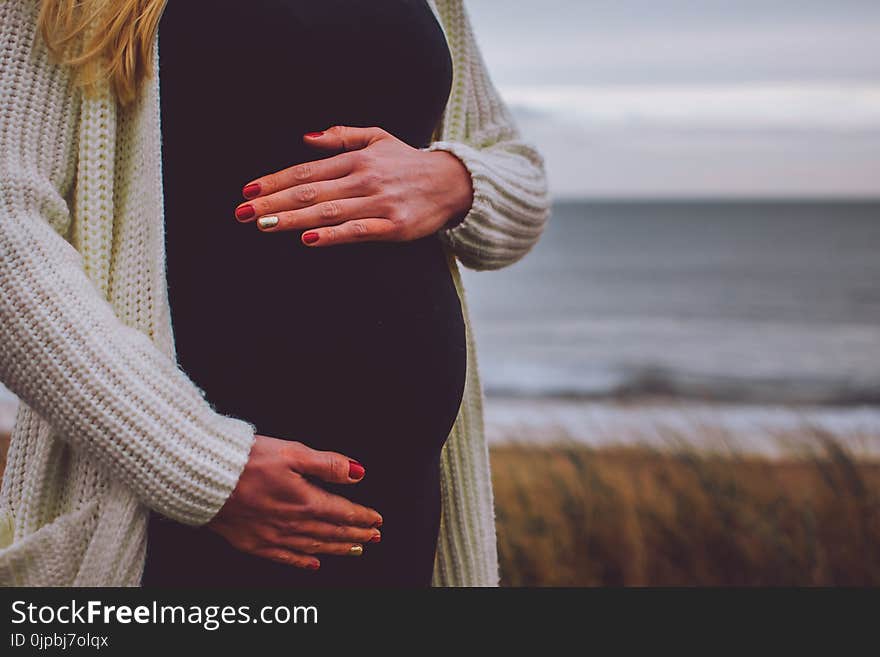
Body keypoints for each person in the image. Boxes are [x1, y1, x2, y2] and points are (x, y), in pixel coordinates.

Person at [0, 0, 550, 587]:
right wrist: (199, 465)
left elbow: (520, 179)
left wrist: (454, 181)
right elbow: (10, 232)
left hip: (398, 510)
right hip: (174, 506)